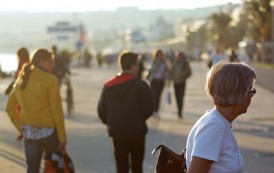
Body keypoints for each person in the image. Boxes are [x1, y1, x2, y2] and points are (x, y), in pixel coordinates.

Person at [186, 61, 256, 173]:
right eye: (251, 91)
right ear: (237, 93)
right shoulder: (214, 126)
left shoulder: (220, 121)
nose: (252, 95)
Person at [6, 48, 67, 173]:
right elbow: (57, 112)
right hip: (49, 134)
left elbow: (9, 107)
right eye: (50, 61)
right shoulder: (50, 80)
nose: (53, 65)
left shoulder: (21, 80)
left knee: (32, 170)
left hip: (29, 134)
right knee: (56, 168)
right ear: (40, 62)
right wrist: (62, 138)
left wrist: (21, 127)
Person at [97, 51, 153, 173]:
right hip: (137, 132)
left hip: (117, 133)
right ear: (133, 66)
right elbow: (149, 108)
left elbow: (101, 110)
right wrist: (138, 119)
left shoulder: (108, 86)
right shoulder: (141, 85)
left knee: (121, 167)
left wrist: (112, 121)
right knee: (137, 167)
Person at [147, 49, 171, 117]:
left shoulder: (165, 62)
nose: (159, 56)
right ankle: (153, 110)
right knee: (154, 95)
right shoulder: (154, 62)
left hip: (161, 81)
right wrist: (157, 63)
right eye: (158, 55)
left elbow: (169, 70)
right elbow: (152, 70)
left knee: (158, 96)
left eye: (161, 55)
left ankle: (156, 110)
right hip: (154, 80)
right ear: (156, 55)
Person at [170, 51, 192, 118]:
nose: (179, 57)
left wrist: (184, 75)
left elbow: (190, 72)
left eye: (180, 55)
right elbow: (171, 72)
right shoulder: (174, 63)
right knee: (177, 97)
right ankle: (178, 109)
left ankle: (180, 110)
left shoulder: (185, 63)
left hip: (182, 82)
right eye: (178, 55)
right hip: (175, 82)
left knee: (181, 97)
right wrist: (170, 78)